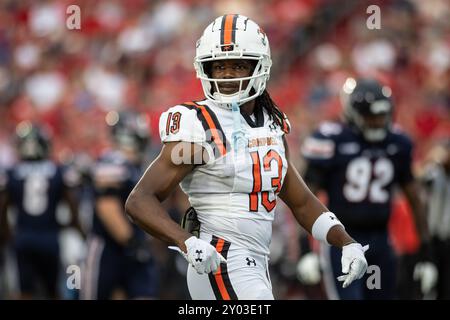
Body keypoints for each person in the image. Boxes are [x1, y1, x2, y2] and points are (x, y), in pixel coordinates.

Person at [125, 14, 368, 300]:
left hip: (256, 261)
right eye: (219, 66)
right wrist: (187, 242)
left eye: (238, 64)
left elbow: (301, 202)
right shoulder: (198, 124)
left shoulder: (271, 124)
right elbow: (139, 200)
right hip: (219, 258)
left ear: (259, 66)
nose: (227, 74)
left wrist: (346, 241)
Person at [300, 78, 434, 299]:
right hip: (341, 241)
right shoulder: (332, 139)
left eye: (382, 115)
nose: (378, 122)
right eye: (371, 116)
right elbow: (305, 198)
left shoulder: (398, 143)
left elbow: (415, 199)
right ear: (353, 113)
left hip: (380, 242)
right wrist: (305, 250)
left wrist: (426, 255)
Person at [0, 122, 83, 299]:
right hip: (50, 237)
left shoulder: (12, 172)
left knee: (24, 292)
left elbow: (3, 207)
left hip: (23, 237)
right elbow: (72, 204)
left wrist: (6, 234)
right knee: (54, 290)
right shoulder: (58, 171)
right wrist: (75, 226)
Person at [80, 111, 158, 300]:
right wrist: (132, 241)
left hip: (130, 245)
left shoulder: (133, 165)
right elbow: (107, 207)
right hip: (109, 247)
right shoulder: (114, 161)